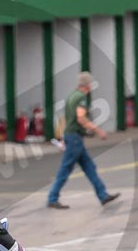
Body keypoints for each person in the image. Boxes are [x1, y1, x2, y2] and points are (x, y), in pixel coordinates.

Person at [47, 71, 120, 210]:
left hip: (72, 136)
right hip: (75, 138)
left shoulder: (71, 96)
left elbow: (66, 119)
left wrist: (63, 136)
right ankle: (52, 197)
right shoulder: (80, 98)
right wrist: (98, 131)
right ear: (88, 85)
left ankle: (103, 195)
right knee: (66, 168)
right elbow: (81, 118)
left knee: (89, 167)